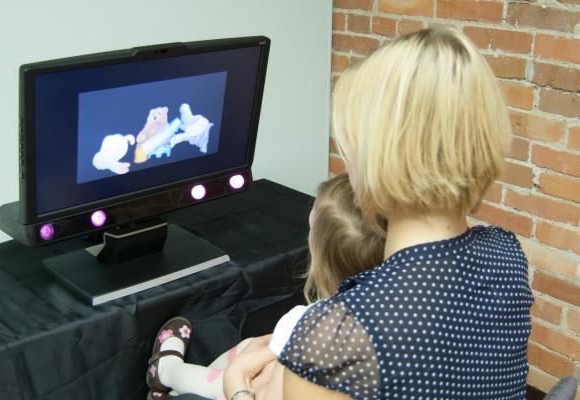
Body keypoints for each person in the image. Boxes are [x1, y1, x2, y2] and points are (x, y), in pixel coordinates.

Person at [223, 27, 533, 400]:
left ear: (381, 156)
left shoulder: (339, 339)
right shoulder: (507, 255)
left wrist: (237, 389)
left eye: (351, 147)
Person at [145, 174, 386, 400]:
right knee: (250, 346)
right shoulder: (390, 311)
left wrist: (238, 385)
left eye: (311, 229)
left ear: (320, 254)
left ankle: (166, 372)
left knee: (221, 380)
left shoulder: (306, 322)